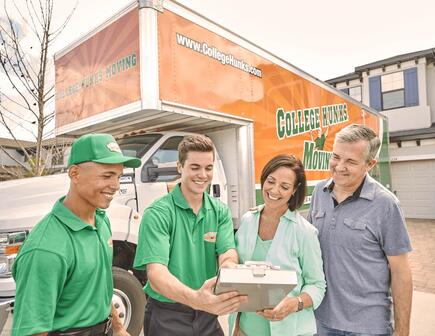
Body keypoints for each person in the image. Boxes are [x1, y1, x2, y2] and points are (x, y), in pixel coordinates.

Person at [12, 133, 141, 336]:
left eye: (119, 176)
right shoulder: (46, 248)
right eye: (107, 176)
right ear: (74, 173)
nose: (116, 185)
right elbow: (32, 330)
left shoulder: (101, 221)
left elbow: (101, 286)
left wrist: (117, 327)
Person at [133, 134, 246, 336]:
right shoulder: (158, 213)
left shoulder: (220, 211)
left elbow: (227, 252)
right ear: (179, 167)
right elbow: (156, 275)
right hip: (168, 316)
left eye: (208, 168)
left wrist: (228, 269)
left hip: (207, 315)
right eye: (195, 167)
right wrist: (197, 299)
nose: (202, 175)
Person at [308, 124, 413, 336]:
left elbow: (401, 272)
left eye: (350, 161)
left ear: (370, 164)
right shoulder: (319, 192)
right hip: (320, 321)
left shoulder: (385, 204)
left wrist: (402, 330)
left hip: (367, 327)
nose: (339, 166)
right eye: (336, 157)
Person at [229, 154, 326, 336]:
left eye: (284, 186)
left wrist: (294, 304)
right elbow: (238, 275)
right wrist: (236, 326)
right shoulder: (248, 220)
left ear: (294, 190)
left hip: (291, 330)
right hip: (245, 331)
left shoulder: (304, 232)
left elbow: (317, 285)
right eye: (270, 181)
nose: (274, 190)